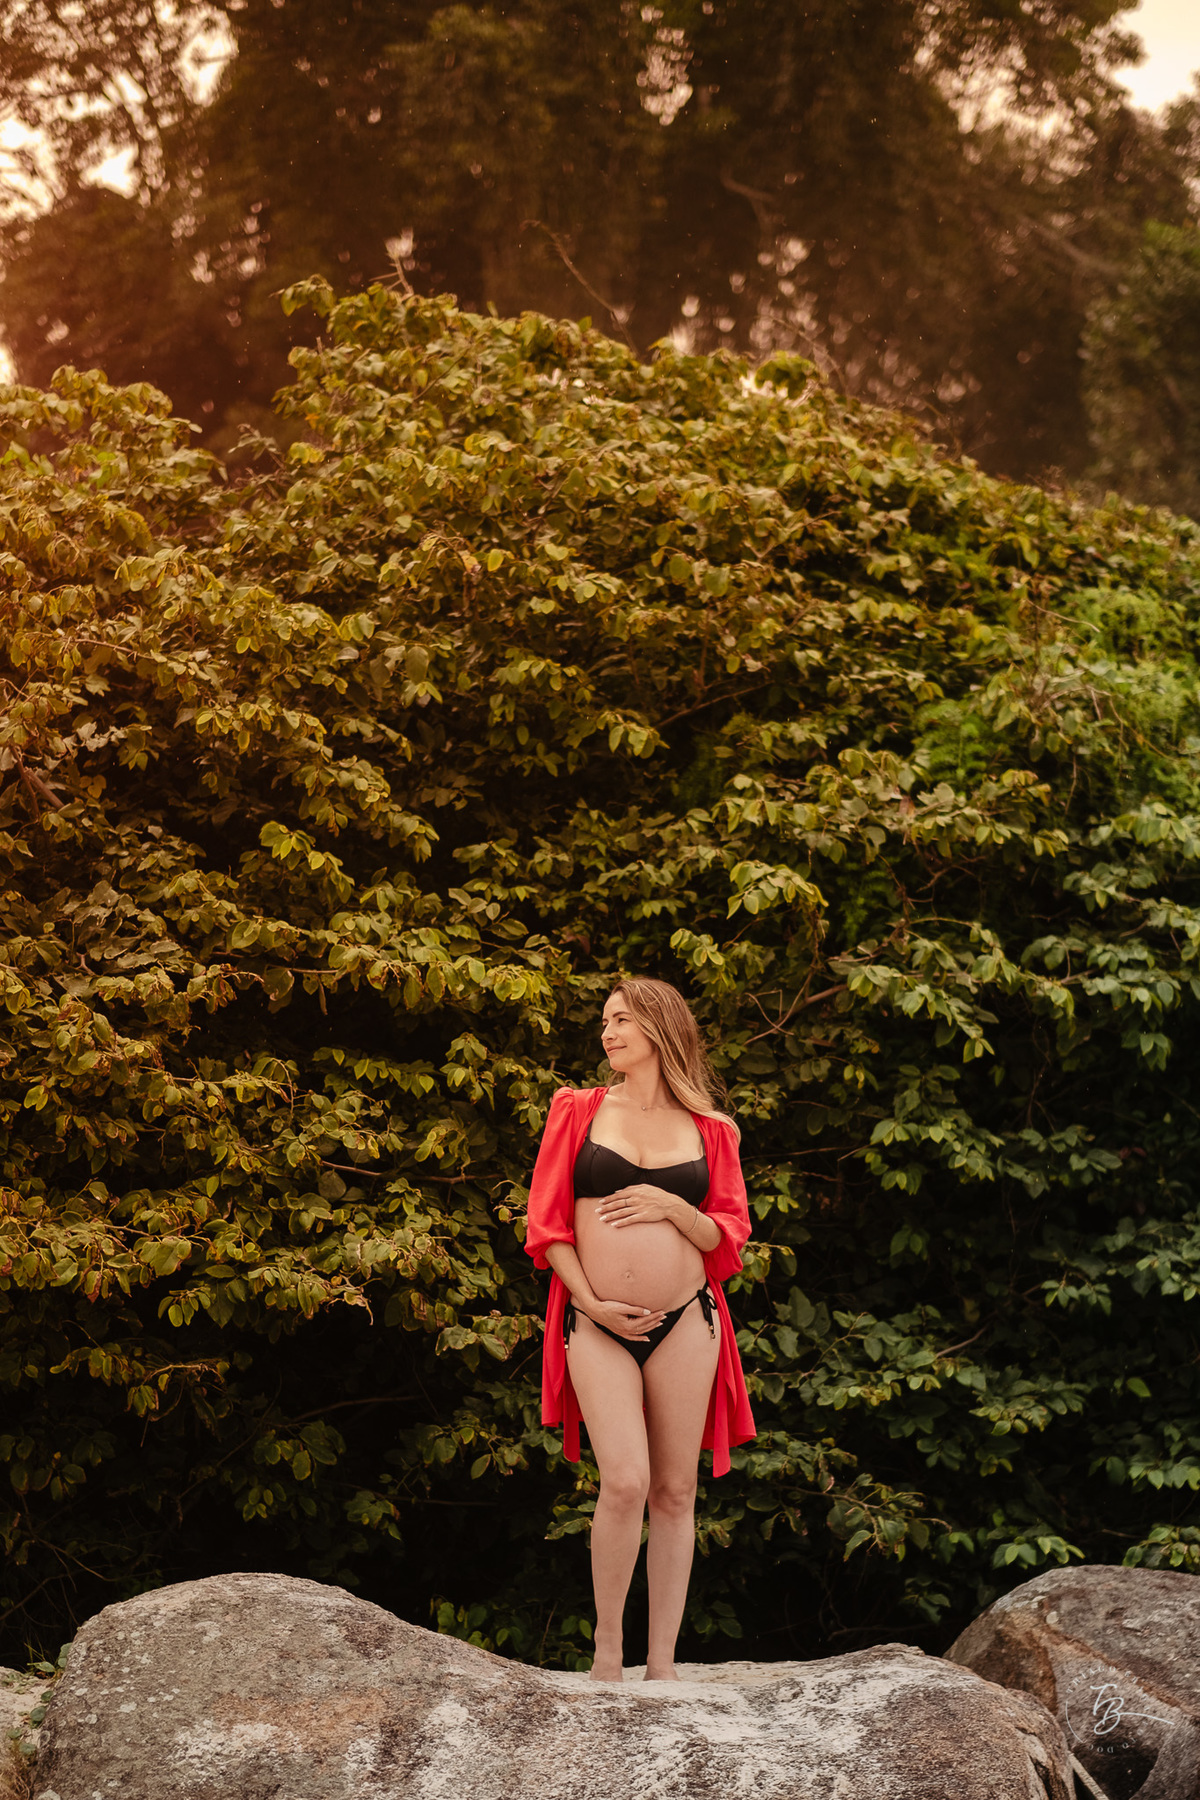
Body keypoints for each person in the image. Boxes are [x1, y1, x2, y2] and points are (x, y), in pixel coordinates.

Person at [524, 976, 755, 1682]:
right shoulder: (578, 1110)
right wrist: (590, 1303)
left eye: (621, 1020)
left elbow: (731, 1233)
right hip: (597, 1321)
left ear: (659, 1027)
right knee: (624, 1481)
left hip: (689, 1320)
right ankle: (606, 1657)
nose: (607, 1032)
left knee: (676, 1491)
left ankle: (662, 1665)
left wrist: (670, 1206)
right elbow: (547, 1225)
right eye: (604, 1022)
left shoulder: (712, 1130)